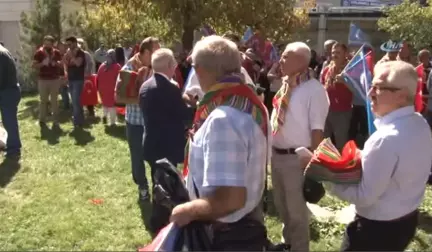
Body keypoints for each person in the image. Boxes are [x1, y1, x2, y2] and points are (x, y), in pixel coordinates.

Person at [170, 35, 270, 251]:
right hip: (246, 226)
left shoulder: (223, 119)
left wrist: (189, 210)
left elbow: (230, 199)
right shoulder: (246, 101)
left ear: (201, 71)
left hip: (225, 234)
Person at [322, 61, 432, 251]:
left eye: (380, 87)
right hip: (405, 223)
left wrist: (326, 178)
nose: (370, 92)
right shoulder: (419, 123)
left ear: (401, 95)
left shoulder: (385, 138)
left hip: (374, 232)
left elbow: (365, 196)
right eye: (372, 85)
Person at [271, 42, 329, 251]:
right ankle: (288, 245)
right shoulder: (286, 85)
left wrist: (312, 167)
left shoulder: (314, 90)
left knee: (297, 213)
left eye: (286, 57)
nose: (281, 60)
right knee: (283, 208)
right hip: (276, 156)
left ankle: (299, 248)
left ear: (302, 62)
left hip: (297, 159)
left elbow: (317, 131)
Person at [139, 48, 192, 234]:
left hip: (151, 142)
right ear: (169, 66)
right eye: (174, 65)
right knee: (167, 187)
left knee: (158, 183)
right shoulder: (169, 87)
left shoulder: (145, 85)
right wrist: (197, 105)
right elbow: (183, 114)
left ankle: (160, 219)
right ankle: (161, 221)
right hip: (166, 144)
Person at [115, 37, 160, 203]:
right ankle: (142, 187)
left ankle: (158, 187)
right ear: (146, 52)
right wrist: (142, 99)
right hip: (135, 122)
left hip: (154, 122)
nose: (159, 54)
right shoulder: (128, 69)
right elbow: (118, 97)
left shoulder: (157, 68)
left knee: (157, 156)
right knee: (137, 157)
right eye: (156, 51)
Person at [321, 43, 353, 151]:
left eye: (338, 52)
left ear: (345, 54)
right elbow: (322, 86)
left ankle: (342, 166)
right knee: (324, 143)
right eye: (333, 52)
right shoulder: (327, 69)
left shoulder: (351, 70)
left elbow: (358, 90)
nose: (335, 55)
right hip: (326, 110)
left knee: (341, 143)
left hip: (342, 112)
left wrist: (345, 82)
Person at [33, 35, 63, 127]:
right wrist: (42, 63)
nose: (47, 46)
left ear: (52, 44)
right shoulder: (39, 53)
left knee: (54, 100)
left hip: (54, 79)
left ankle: (55, 120)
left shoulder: (56, 53)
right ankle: (42, 120)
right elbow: (34, 65)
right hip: (43, 80)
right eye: (45, 43)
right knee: (43, 100)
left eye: (49, 44)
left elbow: (61, 64)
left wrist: (56, 63)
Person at [0, 44, 22, 160]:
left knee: (9, 121)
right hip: (7, 90)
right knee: (9, 121)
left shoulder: (1, 53)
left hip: (7, 91)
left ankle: (14, 149)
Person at [64, 36, 86, 128]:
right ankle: (80, 120)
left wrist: (72, 55)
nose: (68, 46)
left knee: (76, 101)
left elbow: (78, 63)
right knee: (74, 101)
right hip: (71, 79)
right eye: (67, 45)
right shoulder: (68, 53)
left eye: (69, 44)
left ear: (74, 43)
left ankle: (76, 122)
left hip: (78, 80)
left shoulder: (80, 53)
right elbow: (64, 63)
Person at [97, 49, 121, 126]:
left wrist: (98, 88)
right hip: (112, 89)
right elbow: (120, 79)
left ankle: (104, 116)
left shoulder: (102, 66)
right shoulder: (117, 67)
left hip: (102, 89)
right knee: (112, 105)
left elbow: (97, 77)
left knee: (105, 104)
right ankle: (113, 122)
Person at [77, 38, 97, 118]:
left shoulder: (86, 54)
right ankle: (80, 112)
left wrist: (88, 72)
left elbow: (91, 63)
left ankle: (91, 111)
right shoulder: (73, 54)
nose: (79, 45)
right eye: (78, 43)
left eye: (80, 43)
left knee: (88, 95)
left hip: (86, 78)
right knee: (79, 95)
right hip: (77, 78)